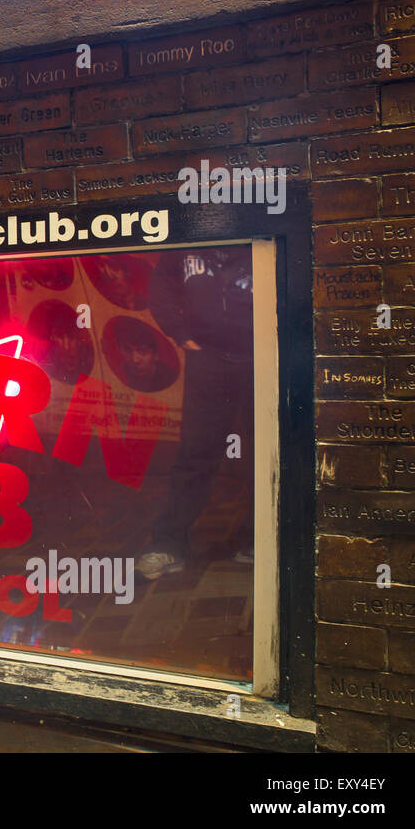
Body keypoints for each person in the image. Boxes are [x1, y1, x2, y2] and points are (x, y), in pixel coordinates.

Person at [138, 248, 255, 580]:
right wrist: (179, 332)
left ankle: (258, 538)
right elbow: (160, 287)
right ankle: (168, 545)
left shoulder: (256, 222)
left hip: (260, 356)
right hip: (208, 359)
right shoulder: (187, 240)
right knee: (195, 452)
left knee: (266, 451)